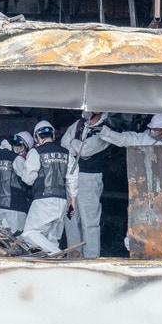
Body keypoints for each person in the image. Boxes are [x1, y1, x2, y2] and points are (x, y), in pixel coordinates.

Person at [62, 110, 112, 259]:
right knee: (71, 217)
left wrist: (74, 145)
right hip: (72, 175)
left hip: (90, 177)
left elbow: (86, 150)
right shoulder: (78, 124)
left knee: (89, 220)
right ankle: (74, 254)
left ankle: (91, 256)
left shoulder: (106, 128)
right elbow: (64, 142)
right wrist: (76, 146)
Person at [22, 120, 77, 254]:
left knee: (29, 233)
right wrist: (72, 201)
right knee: (52, 239)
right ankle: (54, 264)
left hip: (43, 199)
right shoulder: (67, 153)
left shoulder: (36, 152)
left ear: (37, 137)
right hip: (63, 201)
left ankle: (58, 253)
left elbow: (28, 179)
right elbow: (73, 178)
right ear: (52, 135)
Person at [0, 135, 34, 232]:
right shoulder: (18, 159)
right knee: (17, 239)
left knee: (2, 238)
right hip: (17, 205)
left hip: (2, 204)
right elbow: (28, 180)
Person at [95, 113, 162, 148]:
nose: (154, 132)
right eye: (152, 129)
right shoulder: (144, 138)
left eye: (157, 130)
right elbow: (125, 139)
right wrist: (106, 132)